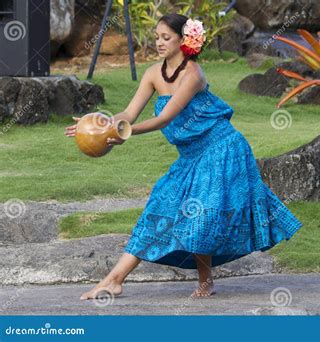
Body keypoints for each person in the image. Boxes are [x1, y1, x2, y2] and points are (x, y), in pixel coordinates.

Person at [64, 13, 303, 299]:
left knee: (202, 214)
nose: (159, 43)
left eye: (166, 37)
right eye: (156, 38)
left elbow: (164, 119)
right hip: (191, 156)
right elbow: (128, 114)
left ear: (183, 39)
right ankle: (114, 279)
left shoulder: (193, 75)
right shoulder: (154, 74)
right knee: (159, 208)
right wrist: (101, 125)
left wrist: (125, 133)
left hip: (222, 149)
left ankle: (205, 282)